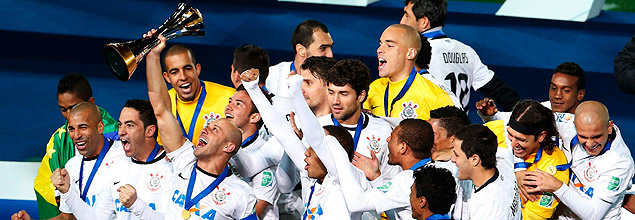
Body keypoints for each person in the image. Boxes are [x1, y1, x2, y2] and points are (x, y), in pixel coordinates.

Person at [144, 31, 257, 219]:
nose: (206, 128)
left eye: (215, 129)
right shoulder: (184, 162)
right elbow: (161, 110)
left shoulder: (242, 195)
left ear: (229, 146)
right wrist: (153, 56)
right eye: (209, 126)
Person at [241, 68, 358, 219]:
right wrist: (253, 89)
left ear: (334, 154)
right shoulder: (310, 174)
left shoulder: (343, 179)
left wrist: (296, 94)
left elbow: (315, 136)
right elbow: (281, 131)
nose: (307, 152)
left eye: (316, 149)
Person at [55, 99, 172, 220]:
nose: (121, 131)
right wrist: (67, 192)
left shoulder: (171, 168)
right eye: (120, 124)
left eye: (129, 125)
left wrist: (136, 205)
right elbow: (96, 218)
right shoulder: (116, 167)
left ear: (149, 130)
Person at [13, 102, 126, 220]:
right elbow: (68, 217)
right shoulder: (72, 166)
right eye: (71, 129)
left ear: (100, 127)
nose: (76, 135)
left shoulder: (124, 155)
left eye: (83, 127)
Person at [400, 0, 520, 111]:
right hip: (459, 130)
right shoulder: (467, 51)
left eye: (406, 15)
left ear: (424, 22)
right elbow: (502, 93)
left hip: (428, 129)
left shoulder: (415, 52)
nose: (402, 22)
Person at [524, 101, 635, 220]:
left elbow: (593, 215)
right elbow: (520, 122)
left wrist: (557, 187)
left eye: (596, 136)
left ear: (609, 127)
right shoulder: (567, 125)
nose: (590, 144)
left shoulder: (620, 163)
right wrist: (519, 169)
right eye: (583, 136)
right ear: (574, 126)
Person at [33, 73, 118, 219]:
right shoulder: (59, 140)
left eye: (73, 107)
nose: (68, 115)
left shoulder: (118, 138)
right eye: (63, 109)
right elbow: (44, 180)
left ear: (91, 102)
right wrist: (58, 191)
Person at [335, 119, 445, 220]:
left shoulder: (407, 180)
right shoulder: (440, 170)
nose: (387, 140)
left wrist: (338, 154)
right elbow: (398, 215)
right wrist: (376, 177)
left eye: (391, 138)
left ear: (403, 147)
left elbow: (356, 204)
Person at [319, 59, 401, 180]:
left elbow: (391, 185)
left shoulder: (383, 131)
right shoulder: (318, 127)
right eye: (331, 92)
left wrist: (375, 177)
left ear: (361, 96)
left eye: (343, 94)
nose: (335, 101)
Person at [365, 24, 457, 120]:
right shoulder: (371, 89)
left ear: (410, 53)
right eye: (380, 44)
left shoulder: (436, 96)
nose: (379, 50)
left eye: (389, 45)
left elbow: (449, 133)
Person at [160, 43, 235, 143]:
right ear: (167, 77)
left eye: (187, 69)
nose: (183, 77)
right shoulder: (162, 103)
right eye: (175, 72)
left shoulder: (229, 97)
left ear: (197, 69)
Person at [225, 85, 280, 220]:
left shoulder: (267, 157)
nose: (228, 107)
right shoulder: (222, 144)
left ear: (255, 117)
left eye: (238, 104)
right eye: (230, 101)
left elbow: (253, 213)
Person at [506, 100, 569, 220]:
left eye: (521, 140)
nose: (513, 144)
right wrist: (516, 172)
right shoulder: (503, 133)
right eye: (510, 135)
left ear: (541, 136)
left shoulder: (553, 170)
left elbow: (531, 218)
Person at [451, 124, 521, 219]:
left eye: (456, 155)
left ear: (475, 160)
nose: (452, 159)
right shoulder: (505, 161)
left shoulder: (486, 211)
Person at [476, 62, 586, 120]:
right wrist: (491, 116)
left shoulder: (590, 118)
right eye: (553, 88)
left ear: (580, 94)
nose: (557, 95)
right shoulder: (540, 110)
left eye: (565, 90)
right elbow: (511, 119)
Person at [266, 20, 334, 99]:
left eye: (330, 47)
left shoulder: (334, 80)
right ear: (301, 50)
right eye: (323, 48)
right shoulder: (271, 78)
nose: (330, 54)